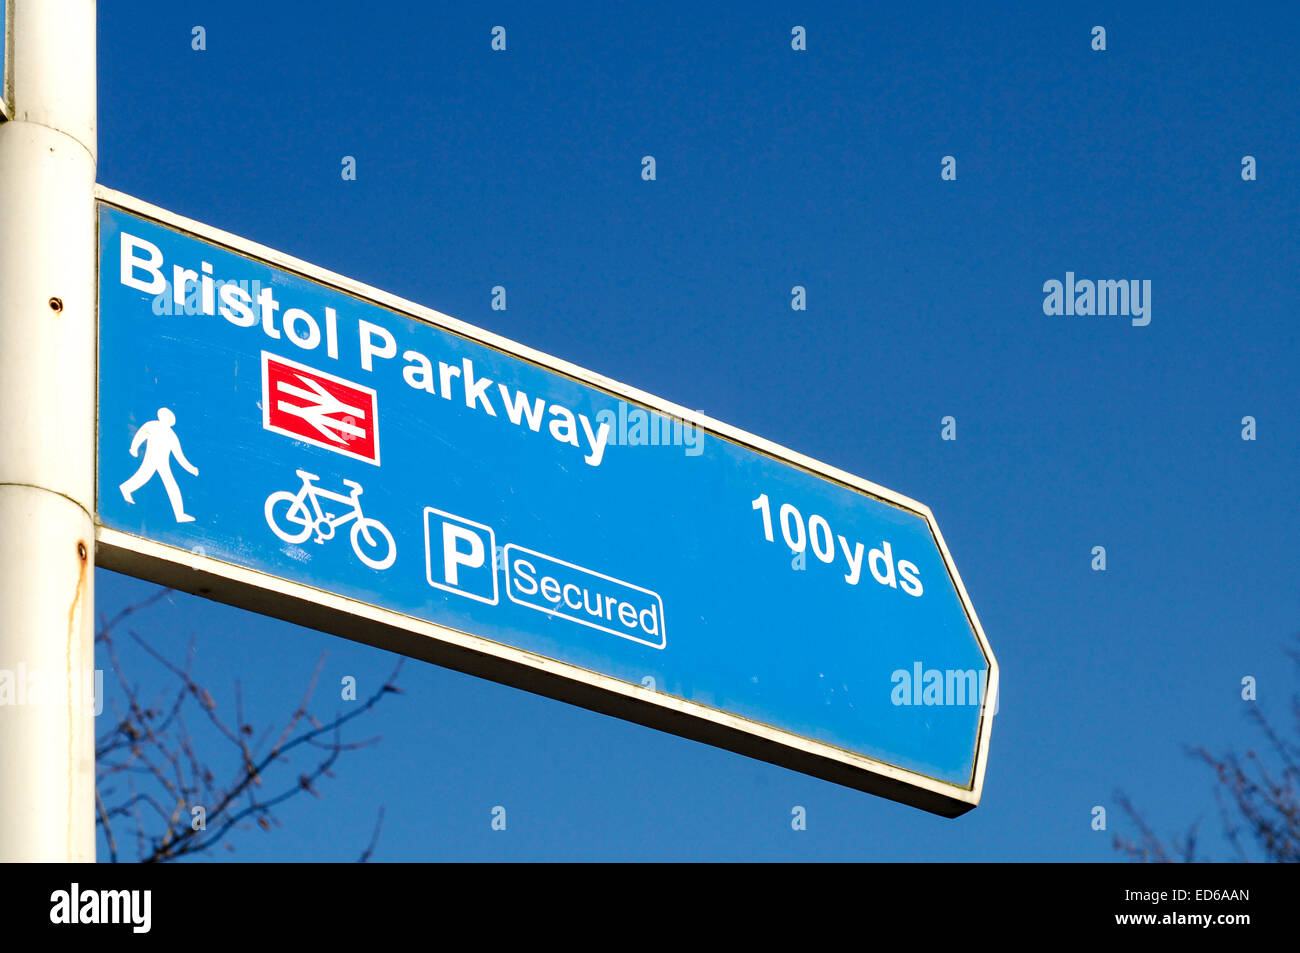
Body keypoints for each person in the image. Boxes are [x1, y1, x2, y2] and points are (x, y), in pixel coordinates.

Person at [119, 407, 199, 522]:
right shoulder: (152, 425)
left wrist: (191, 469)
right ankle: (125, 489)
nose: (165, 419)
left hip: (162, 463)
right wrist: (134, 448)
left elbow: (179, 456)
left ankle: (179, 514)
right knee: (143, 477)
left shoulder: (172, 435)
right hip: (151, 459)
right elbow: (140, 435)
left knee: (168, 484)